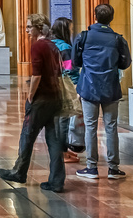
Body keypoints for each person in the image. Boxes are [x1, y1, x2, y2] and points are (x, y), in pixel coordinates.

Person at [0, 13, 65, 192]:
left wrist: (30, 96)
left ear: (38, 27)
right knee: (53, 139)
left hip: (41, 99)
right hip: (55, 97)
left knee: (27, 135)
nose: (26, 30)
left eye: (29, 26)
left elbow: (36, 75)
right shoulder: (53, 45)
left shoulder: (38, 46)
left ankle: (19, 171)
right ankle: (57, 180)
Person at [72, 2, 131, 181]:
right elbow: (125, 62)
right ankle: (113, 168)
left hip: (89, 86)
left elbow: (76, 61)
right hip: (111, 87)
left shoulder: (84, 36)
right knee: (111, 126)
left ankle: (91, 168)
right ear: (111, 18)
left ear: (95, 16)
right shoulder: (117, 39)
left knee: (90, 126)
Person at [51, 16, 85, 164]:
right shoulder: (65, 47)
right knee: (64, 121)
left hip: (52, 85)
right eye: (70, 28)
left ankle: (62, 150)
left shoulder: (50, 44)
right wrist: (77, 86)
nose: (72, 31)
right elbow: (69, 69)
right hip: (66, 86)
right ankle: (62, 153)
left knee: (58, 120)